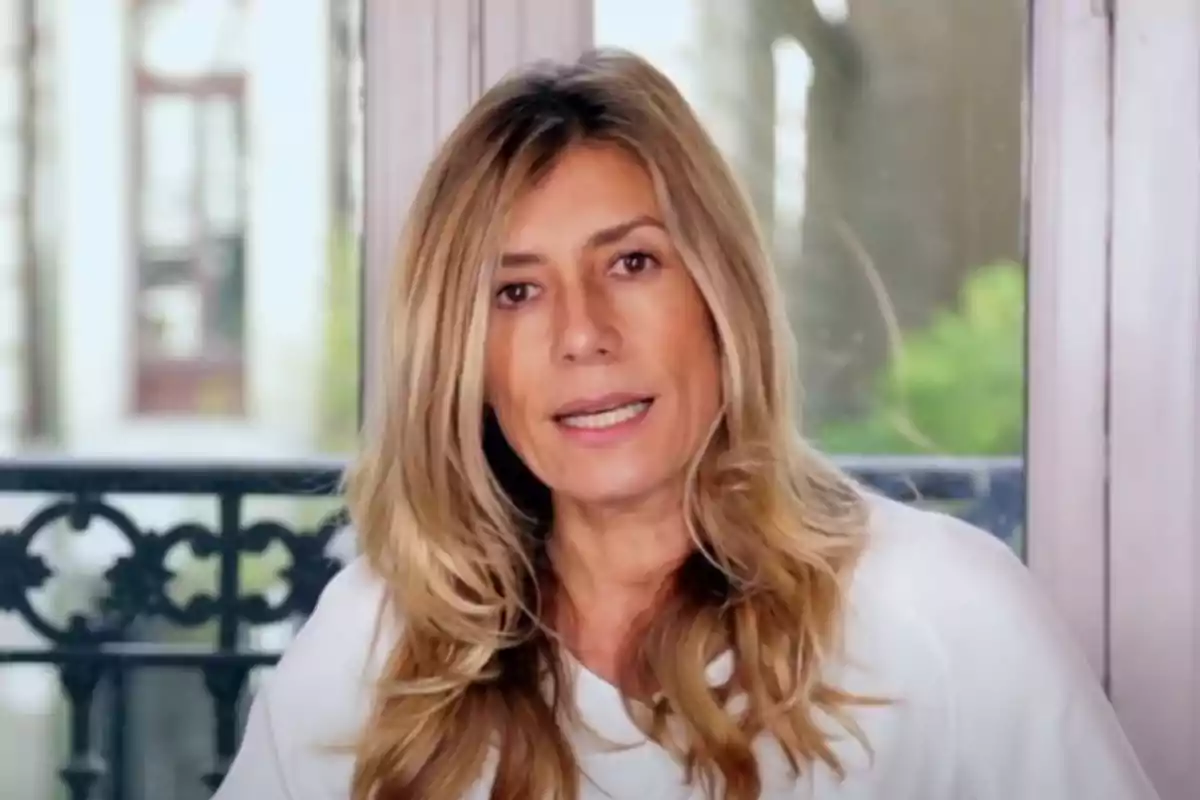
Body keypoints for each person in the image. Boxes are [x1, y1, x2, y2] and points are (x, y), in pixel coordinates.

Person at [214, 49, 1158, 800]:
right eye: (515, 291)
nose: (582, 333)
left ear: (720, 297)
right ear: (464, 359)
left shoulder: (949, 613)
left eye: (631, 264)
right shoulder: (382, 640)